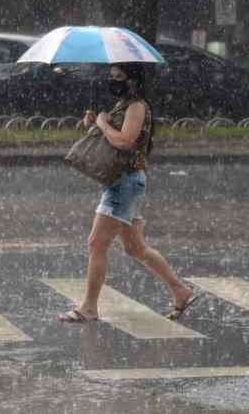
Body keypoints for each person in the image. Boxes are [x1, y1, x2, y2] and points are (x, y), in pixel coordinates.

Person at [57, 62, 202, 323]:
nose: (114, 81)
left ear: (133, 79)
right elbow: (111, 137)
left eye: (119, 77)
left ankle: (89, 307)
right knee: (135, 248)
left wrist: (103, 124)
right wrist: (94, 123)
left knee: (96, 243)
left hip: (125, 183)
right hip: (123, 181)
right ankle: (181, 291)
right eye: (112, 76)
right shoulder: (124, 105)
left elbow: (125, 141)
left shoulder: (137, 107)